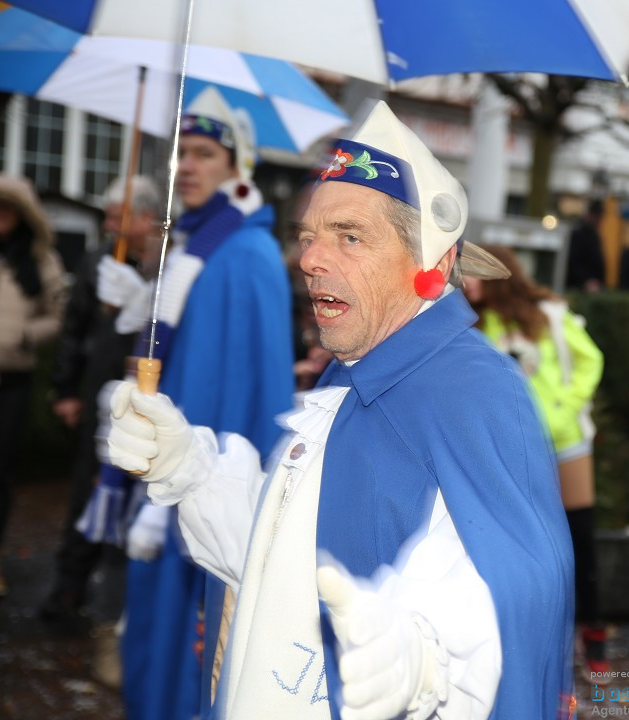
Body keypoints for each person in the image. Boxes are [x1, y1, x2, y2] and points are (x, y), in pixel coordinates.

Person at [102, 101, 574, 720]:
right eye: (308, 238)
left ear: (431, 266)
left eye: (349, 236)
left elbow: (514, 586)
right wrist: (190, 468)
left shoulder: (473, 390)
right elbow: (289, 554)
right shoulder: (354, 369)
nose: (310, 260)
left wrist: (420, 659)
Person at [94, 87, 294, 720]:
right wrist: (134, 304)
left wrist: (191, 485)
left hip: (205, 485)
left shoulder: (246, 255)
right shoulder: (195, 247)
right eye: (184, 154)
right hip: (173, 466)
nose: (188, 167)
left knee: (193, 643)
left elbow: (244, 392)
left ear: (238, 166)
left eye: (205, 153)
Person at [465, 244, 606, 674]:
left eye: (472, 272)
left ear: (495, 273)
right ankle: (540, 637)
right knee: (526, 542)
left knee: (580, 540)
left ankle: (595, 636)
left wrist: (564, 405)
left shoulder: (551, 313)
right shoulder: (475, 323)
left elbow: (591, 360)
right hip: (512, 448)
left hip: (565, 445)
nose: (464, 281)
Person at [42, 177, 161, 627]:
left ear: (147, 218)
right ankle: (67, 589)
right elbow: (73, 331)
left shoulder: (163, 264)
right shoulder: (98, 262)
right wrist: (66, 388)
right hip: (98, 393)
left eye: (118, 216)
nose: (110, 225)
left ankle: (116, 603)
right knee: (85, 491)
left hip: (140, 397)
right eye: (109, 216)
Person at [0, 173, 66, 599]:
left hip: (13, 379)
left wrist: (27, 335)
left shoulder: (42, 260)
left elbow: (56, 317)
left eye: (7, 206)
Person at [565, 199, 606, 292]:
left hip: (594, 286)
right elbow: (573, 262)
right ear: (590, 215)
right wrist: (585, 281)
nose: (600, 221)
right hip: (579, 287)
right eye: (598, 217)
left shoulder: (595, 235)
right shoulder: (579, 234)